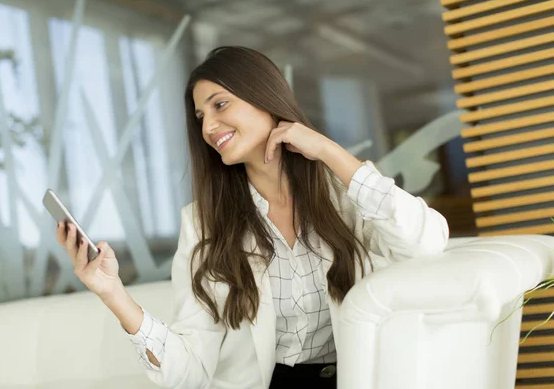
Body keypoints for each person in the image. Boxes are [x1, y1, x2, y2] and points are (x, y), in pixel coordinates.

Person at [55, 46, 449, 389]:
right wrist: (113, 293)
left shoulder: (346, 193)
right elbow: (189, 370)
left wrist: (330, 153)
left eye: (220, 104)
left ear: (264, 97)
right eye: (200, 115)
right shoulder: (203, 224)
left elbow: (425, 241)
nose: (208, 126)